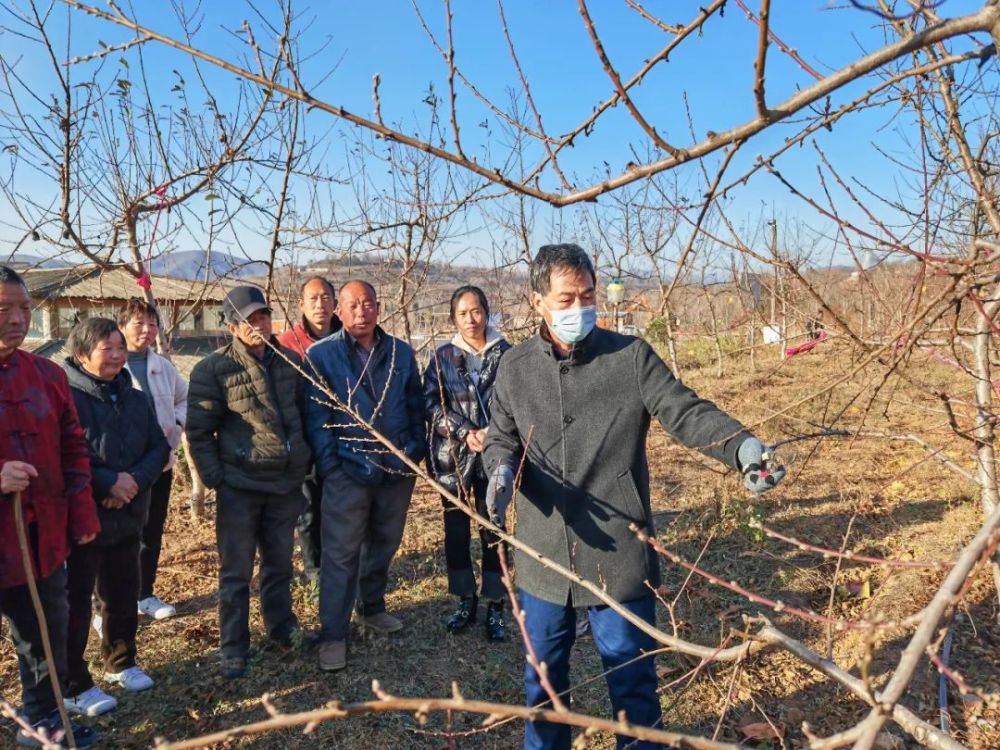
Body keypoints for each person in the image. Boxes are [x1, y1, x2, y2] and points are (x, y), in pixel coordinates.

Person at [483, 244, 785, 750]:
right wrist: (499, 470)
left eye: (587, 295)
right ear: (538, 301)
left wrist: (742, 449)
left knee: (633, 683)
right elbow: (501, 436)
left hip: (620, 547)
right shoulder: (514, 368)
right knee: (544, 686)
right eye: (565, 299)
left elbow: (686, 411)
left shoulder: (630, 357)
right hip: (543, 549)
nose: (579, 308)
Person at [186, 286, 311, 679]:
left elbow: (302, 418)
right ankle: (234, 645)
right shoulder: (212, 370)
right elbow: (199, 432)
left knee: (279, 564)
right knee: (236, 571)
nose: (258, 326)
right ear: (231, 326)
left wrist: (302, 463)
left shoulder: (289, 362)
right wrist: (217, 478)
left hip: (284, 484)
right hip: (239, 487)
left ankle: (280, 626)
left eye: (262, 318)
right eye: (248, 320)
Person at [0, 266, 100, 748]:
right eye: (4, 310)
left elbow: (73, 447)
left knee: (44, 632)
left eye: (24, 309)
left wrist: (81, 514)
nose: (17, 320)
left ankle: (44, 719)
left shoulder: (47, 375)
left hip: (41, 537)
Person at [304, 280, 426, 672]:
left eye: (368, 303)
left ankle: (371, 607)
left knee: (385, 543)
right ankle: (333, 635)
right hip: (346, 472)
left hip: (396, 469)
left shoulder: (401, 354)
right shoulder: (321, 356)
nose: (361, 312)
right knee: (340, 554)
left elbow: (415, 405)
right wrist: (332, 468)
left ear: (379, 306)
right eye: (352, 305)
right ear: (338, 310)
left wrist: (413, 453)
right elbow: (316, 420)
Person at [62, 317, 169, 716]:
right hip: (83, 515)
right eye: (108, 349)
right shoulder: (67, 396)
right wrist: (107, 483)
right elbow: (65, 453)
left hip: (128, 511)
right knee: (74, 603)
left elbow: (159, 447)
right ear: (81, 355)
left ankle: (121, 661)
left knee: (123, 593)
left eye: (120, 348)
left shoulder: (135, 396)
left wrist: (133, 483)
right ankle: (73, 682)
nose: (118, 356)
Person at [423, 285, 511, 640]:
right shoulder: (442, 356)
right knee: (455, 531)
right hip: (454, 459)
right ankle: (464, 599)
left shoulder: (507, 354)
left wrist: (492, 432)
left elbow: (517, 404)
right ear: (453, 318)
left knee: (494, 528)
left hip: (494, 455)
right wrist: (463, 431)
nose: (470, 319)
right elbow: (430, 404)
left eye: (476, 311)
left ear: (487, 312)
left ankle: (496, 604)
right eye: (462, 313)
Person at [118, 298, 188, 620]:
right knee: (119, 536)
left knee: (152, 529)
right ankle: (111, 604)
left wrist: (176, 424)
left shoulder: (162, 366)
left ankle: (144, 594)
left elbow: (184, 398)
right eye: (138, 324)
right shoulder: (110, 363)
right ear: (121, 327)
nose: (147, 330)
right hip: (122, 470)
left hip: (159, 464)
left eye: (152, 324)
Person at [276, 276, 342, 584]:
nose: (320, 305)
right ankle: (316, 573)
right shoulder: (286, 344)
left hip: (343, 438)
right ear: (301, 304)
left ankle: (344, 567)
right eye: (313, 299)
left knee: (343, 508)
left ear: (335, 303)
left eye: (326, 298)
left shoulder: (348, 338)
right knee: (308, 512)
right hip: (304, 441)